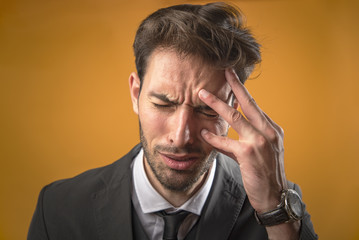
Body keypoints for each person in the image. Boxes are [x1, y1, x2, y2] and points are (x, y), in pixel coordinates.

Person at [28, 2, 317, 240]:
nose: (181, 137)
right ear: (136, 94)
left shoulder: (279, 207)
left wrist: (274, 212)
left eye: (207, 110)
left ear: (233, 107)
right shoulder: (57, 209)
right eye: (163, 104)